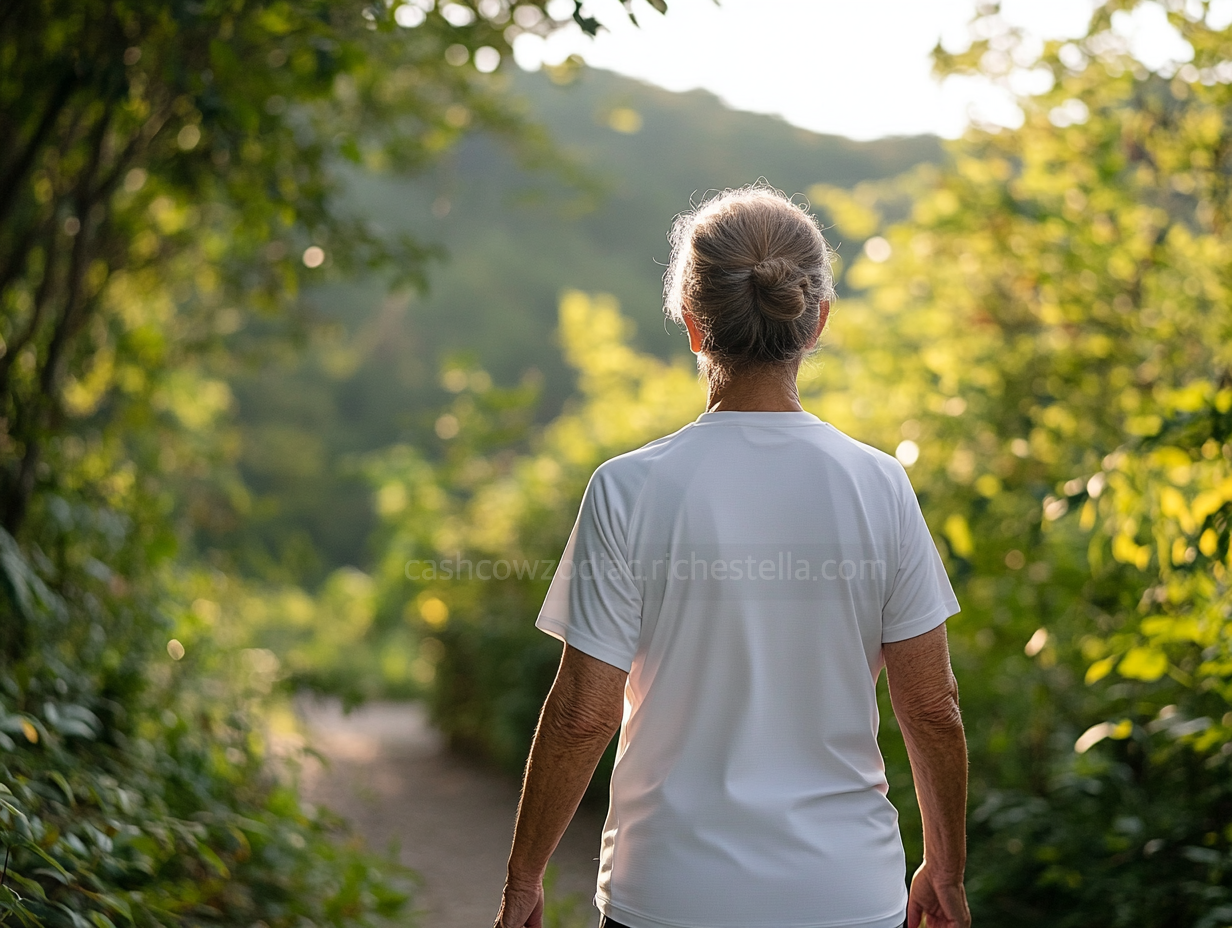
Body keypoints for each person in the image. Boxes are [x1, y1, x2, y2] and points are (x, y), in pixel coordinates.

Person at [494, 185, 970, 928]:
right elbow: (931, 708)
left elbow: (584, 716)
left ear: (691, 323)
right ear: (817, 320)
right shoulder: (878, 485)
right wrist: (945, 869)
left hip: (669, 894)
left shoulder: (628, 488)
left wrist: (523, 879)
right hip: (844, 893)